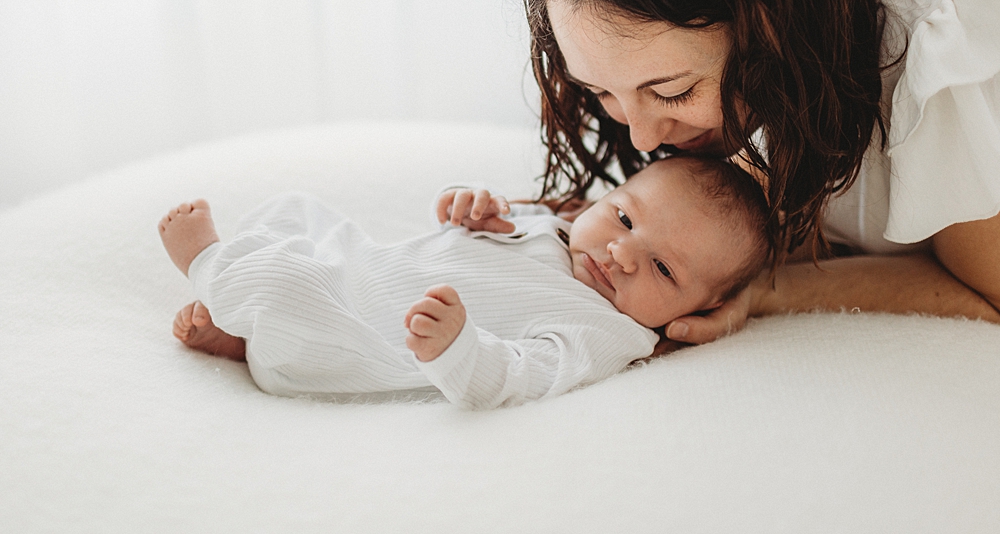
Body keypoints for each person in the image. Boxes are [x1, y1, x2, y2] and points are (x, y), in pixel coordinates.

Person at [521, 0, 1000, 347]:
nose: (642, 139)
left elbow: (990, 295)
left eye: (673, 92)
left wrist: (767, 292)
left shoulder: (948, 40)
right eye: (601, 91)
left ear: (768, 26)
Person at [160, 156, 769, 409]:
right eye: (625, 216)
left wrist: (459, 349)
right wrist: (469, 208)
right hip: (363, 272)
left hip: (365, 342)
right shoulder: (555, 230)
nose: (621, 253)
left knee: (291, 292)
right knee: (299, 211)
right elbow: (464, 233)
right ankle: (243, 333)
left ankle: (212, 266)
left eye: (663, 269)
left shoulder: (608, 330)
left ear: (705, 307)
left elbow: (519, 376)